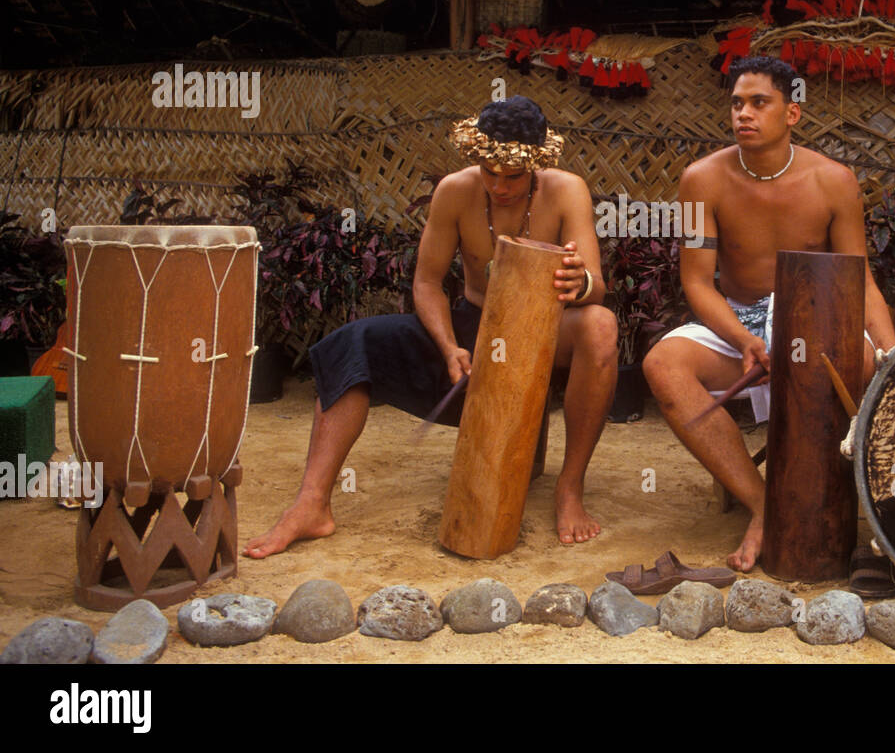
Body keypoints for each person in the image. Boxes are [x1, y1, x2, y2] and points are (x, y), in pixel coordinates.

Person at [245, 96, 618, 557]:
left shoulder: (567, 191)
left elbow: (596, 287)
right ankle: (311, 503)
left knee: (600, 325)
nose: (499, 187)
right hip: (472, 324)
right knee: (353, 342)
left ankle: (570, 488)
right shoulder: (455, 191)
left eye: (513, 176)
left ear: (537, 166)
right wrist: (447, 348)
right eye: (489, 172)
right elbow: (426, 282)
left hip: (542, 329)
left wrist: (577, 282)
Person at [642, 56, 895, 572]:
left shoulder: (835, 181)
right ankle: (765, 505)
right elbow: (696, 281)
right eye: (737, 103)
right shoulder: (700, 180)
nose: (744, 114)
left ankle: (815, 497)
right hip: (740, 320)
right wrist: (741, 338)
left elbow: (859, 278)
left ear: (792, 114)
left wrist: (892, 353)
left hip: (820, 321)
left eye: (760, 103)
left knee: (869, 366)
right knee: (662, 366)